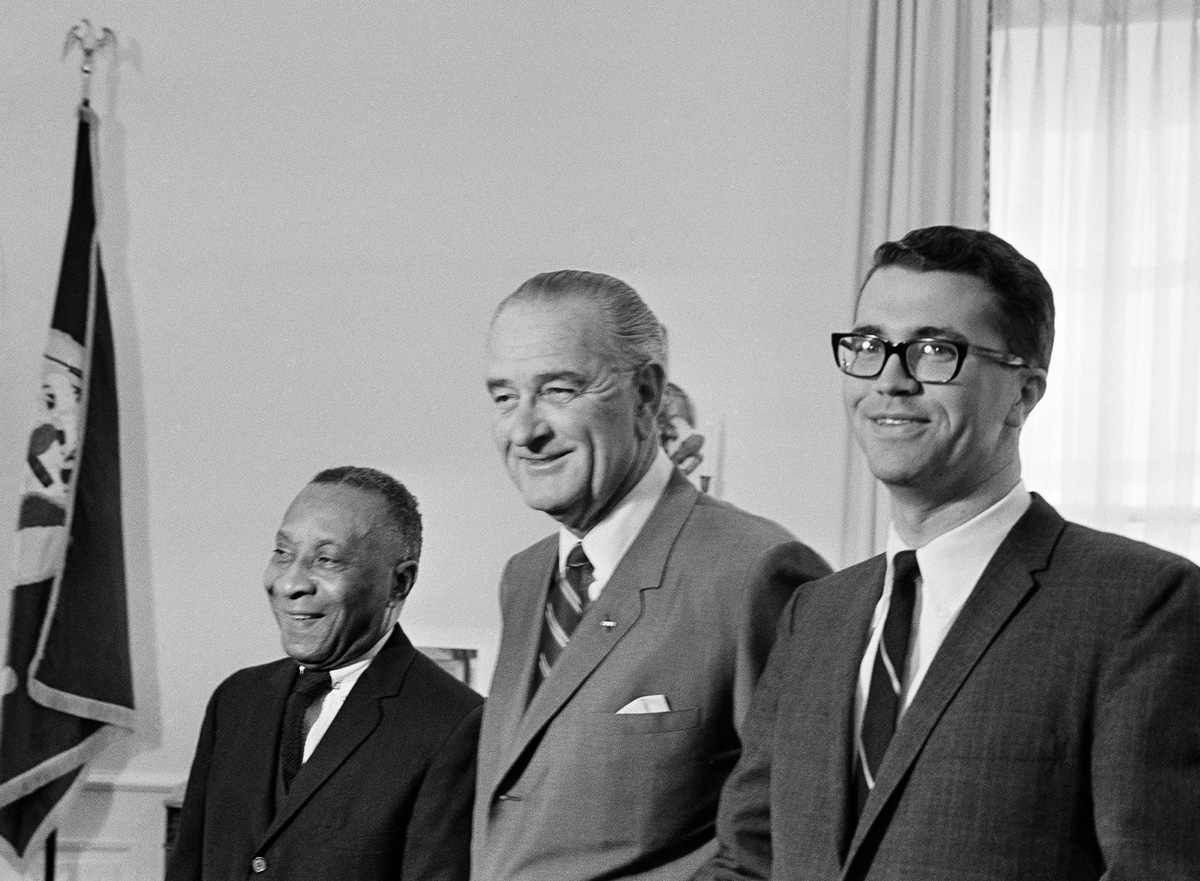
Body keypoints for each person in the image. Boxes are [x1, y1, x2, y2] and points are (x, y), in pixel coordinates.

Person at [696, 226, 1200, 880]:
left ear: (1023, 393)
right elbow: (749, 859)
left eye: (935, 350)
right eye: (869, 345)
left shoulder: (1143, 606)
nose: (891, 380)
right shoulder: (813, 615)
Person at [476, 270, 831, 881]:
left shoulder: (756, 570)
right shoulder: (525, 578)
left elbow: (790, 839)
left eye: (558, 390)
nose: (525, 431)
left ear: (646, 393)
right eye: (505, 397)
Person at [167, 467, 483, 881]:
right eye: (283, 553)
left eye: (326, 560)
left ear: (399, 583)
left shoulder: (453, 724)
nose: (290, 583)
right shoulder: (236, 699)